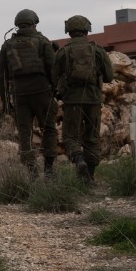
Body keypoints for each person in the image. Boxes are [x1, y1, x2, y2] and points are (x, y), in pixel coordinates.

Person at [0, 9, 58, 178]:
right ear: (34, 24)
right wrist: (55, 91)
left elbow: (1, 76)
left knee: (25, 132)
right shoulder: (43, 42)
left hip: (20, 95)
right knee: (49, 129)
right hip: (42, 92)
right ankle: (49, 170)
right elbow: (53, 69)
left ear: (17, 25)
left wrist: (6, 101)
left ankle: (32, 172)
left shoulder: (7, 45)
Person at [54, 14, 115, 183]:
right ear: (87, 29)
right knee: (92, 136)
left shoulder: (63, 52)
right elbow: (110, 77)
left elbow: (53, 78)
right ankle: (90, 176)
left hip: (72, 100)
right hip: (94, 100)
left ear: (69, 31)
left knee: (71, 136)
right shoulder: (97, 50)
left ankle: (78, 159)